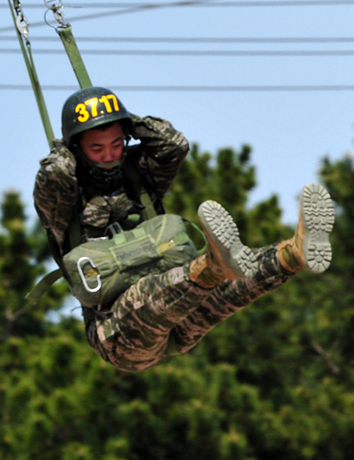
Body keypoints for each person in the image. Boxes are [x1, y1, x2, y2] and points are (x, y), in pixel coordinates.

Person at [32, 86, 334, 372]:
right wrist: (65, 147)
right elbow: (54, 175)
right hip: (120, 334)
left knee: (234, 282)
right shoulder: (64, 203)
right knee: (163, 288)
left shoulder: (138, 176)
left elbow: (174, 144)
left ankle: (294, 254)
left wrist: (127, 122)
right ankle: (212, 267)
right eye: (96, 148)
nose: (109, 156)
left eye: (115, 144)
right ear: (77, 149)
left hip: (181, 313)